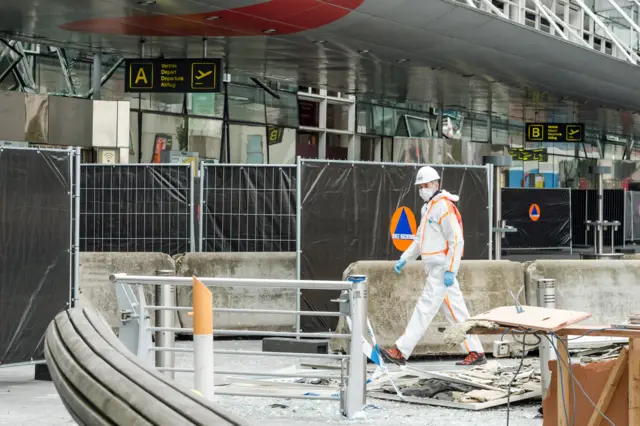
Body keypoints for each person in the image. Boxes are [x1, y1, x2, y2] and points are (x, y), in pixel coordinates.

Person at [380, 165, 487, 366]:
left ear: (436, 184)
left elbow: (457, 240)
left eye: (426, 185)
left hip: (441, 269)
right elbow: (420, 239)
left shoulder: (444, 206)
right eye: (420, 186)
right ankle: (476, 352)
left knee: (424, 309)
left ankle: (401, 351)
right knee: (457, 313)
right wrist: (405, 258)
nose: (422, 189)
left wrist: (450, 270)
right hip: (438, 269)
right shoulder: (428, 207)